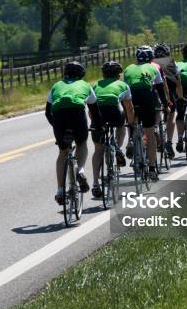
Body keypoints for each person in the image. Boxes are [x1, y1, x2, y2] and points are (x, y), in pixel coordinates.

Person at [45, 61, 102, 205]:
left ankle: (59, 191)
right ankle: (80, 171)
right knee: (81, 143)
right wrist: (99, 126)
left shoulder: (56, 86)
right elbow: (94, 111)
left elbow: (47, 112)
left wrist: (57, 127)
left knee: (63, 152)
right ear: (81, 75)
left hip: (59, 115)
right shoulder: (85, 85)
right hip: (77, 112)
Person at [90, 61, 135, 198]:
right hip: (114, 111)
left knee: (98, 149)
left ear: (103, 74)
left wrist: (95, 123)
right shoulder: (123, 85)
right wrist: (131, 124)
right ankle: (117, 147)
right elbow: (129, 108)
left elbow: (91, 109)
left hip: (98, 114)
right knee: (121, 125)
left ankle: (96, 184)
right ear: (118, 74)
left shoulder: (95, 85)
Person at [124, 46, 169, 181]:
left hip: (132, 97)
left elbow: (125, 88)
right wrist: (166, 105)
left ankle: (131, 139)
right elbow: (160, 89)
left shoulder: (128, 69)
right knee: (149, 133)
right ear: (151, 58)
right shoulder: (154, 68)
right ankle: (151, 169)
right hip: (146, 97)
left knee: (132, 120)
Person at [153, 43, 183, 159]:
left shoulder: (151, 63)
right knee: (172, 114)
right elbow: (178, 81)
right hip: (168, 91)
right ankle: (169, 142)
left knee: (157, 112)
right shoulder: (170, 62)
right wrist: (180, 98)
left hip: (153, 91)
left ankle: (156, 127)